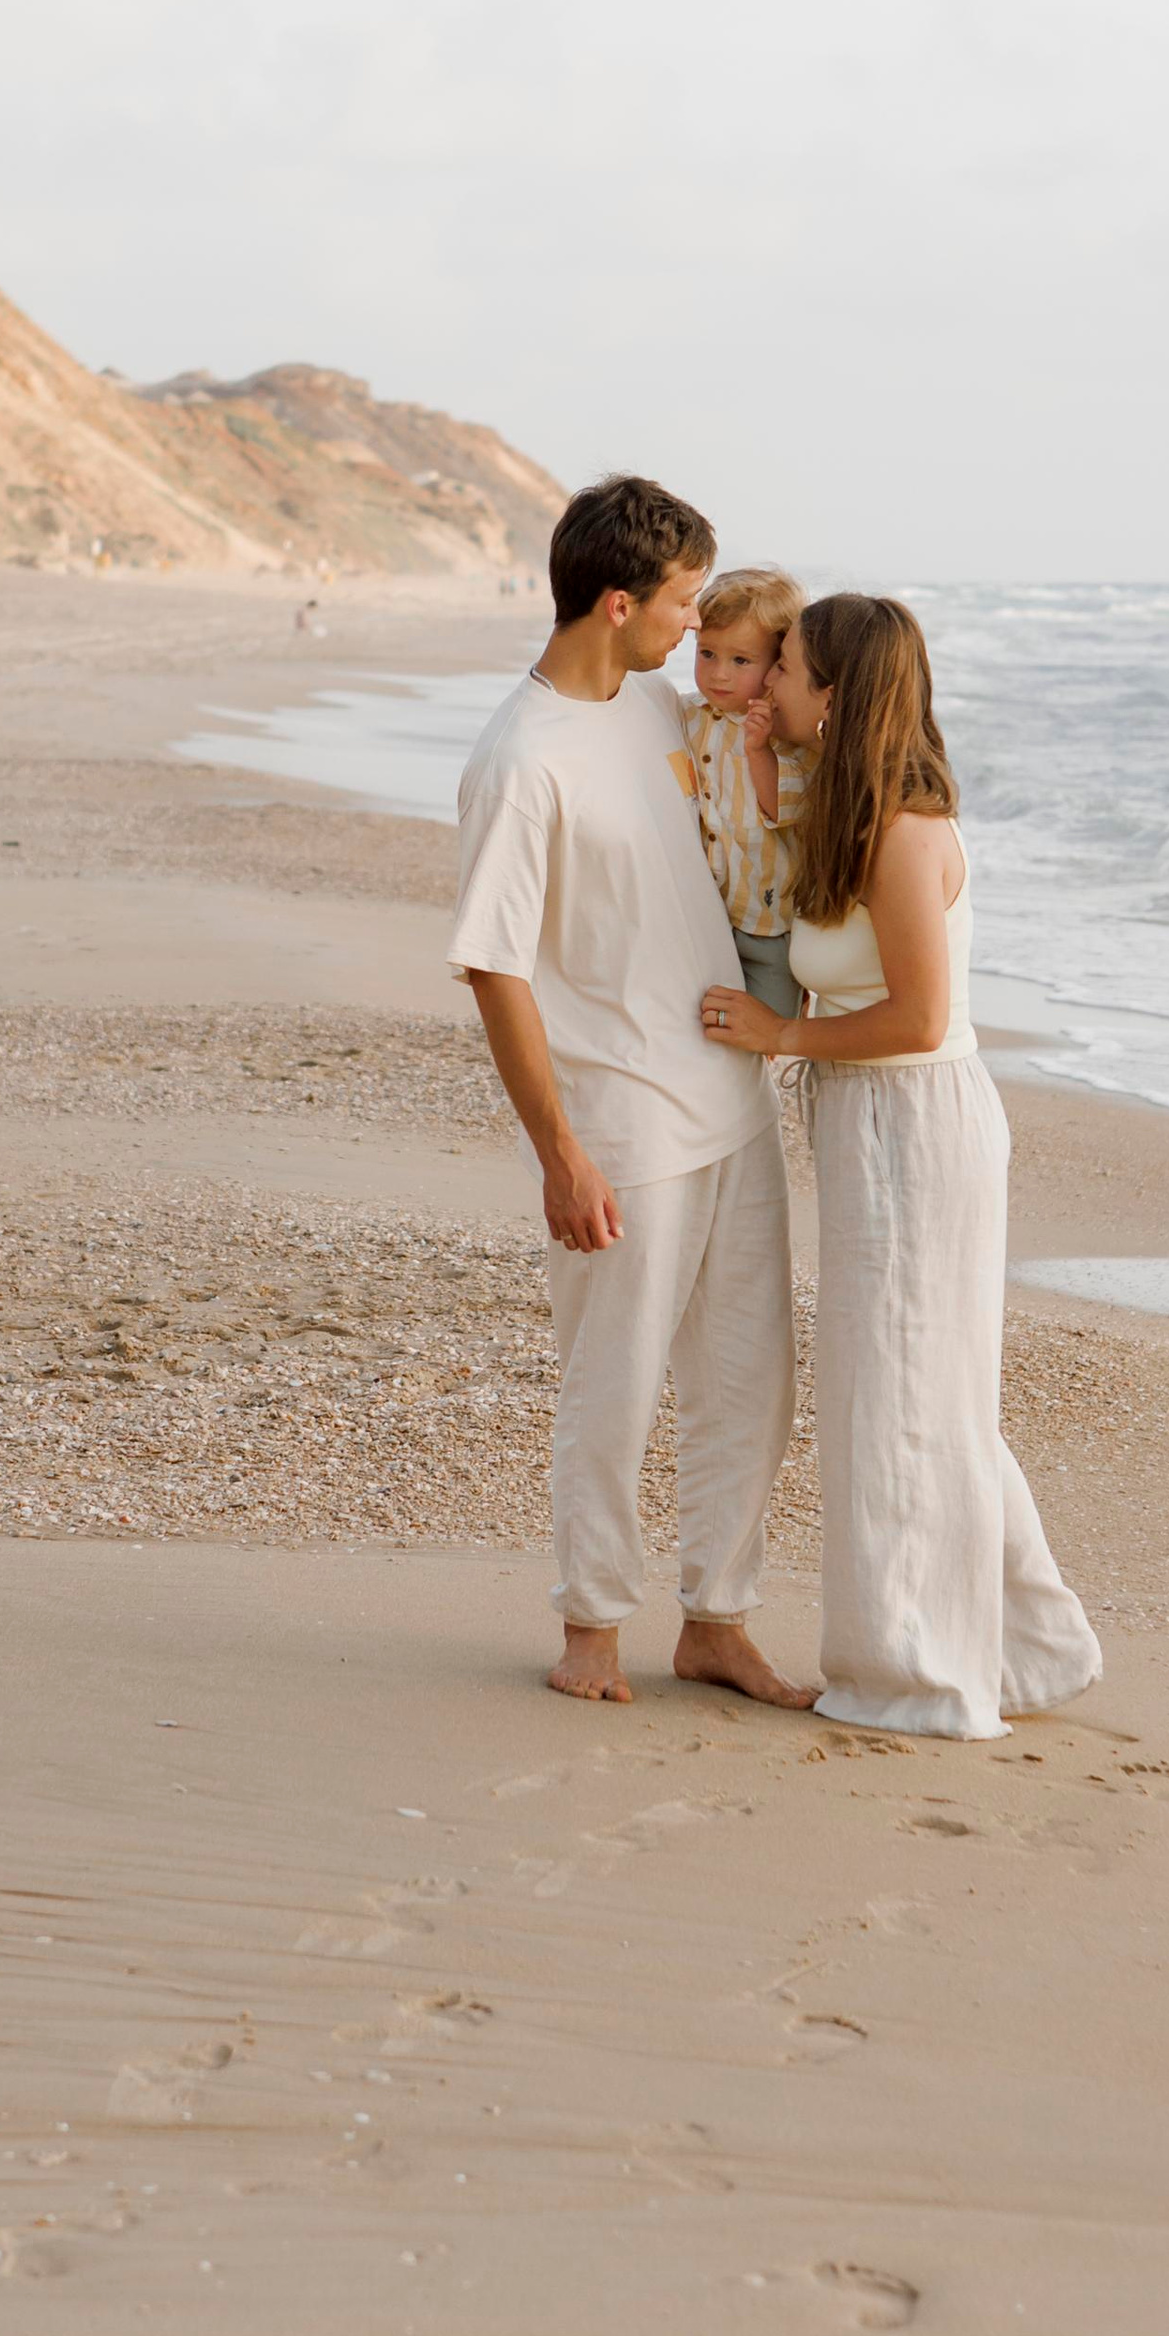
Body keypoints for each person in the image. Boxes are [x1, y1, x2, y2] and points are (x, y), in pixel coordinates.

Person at [701, 593, 1102, 1740]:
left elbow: (920, 1018)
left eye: (784, 669)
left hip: (914, 1126)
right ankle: (1028, 1647)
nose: (766, 683)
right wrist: (750, 749)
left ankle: (916, 1673)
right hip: (870, 1121)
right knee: (921, 1391)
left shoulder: (900, 832)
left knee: (902, 1396)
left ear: (836, 695)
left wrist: (780, 1035)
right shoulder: (844, 811)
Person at [451, 477, 814, 1710]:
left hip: (730, 1096)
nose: (694, 622)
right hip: (622, 1124)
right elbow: (494, 966)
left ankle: (716, 1620)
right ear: (619, 603)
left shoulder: (663, 705)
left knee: (748, 1381)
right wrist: (560, 1151)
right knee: (613, 1385)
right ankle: (592, 1627)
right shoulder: (520, 759)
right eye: (680, 601)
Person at [681, 566, 810, 1022]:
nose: (719, 674)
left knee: (768, 1025)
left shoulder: (786, 731)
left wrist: (758, 750)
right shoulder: (686, 715)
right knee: (701, 1021)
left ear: (777, 666)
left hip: (770, 923)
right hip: (703, 914)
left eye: (741, 661)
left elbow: (783, 807)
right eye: (707, 653)